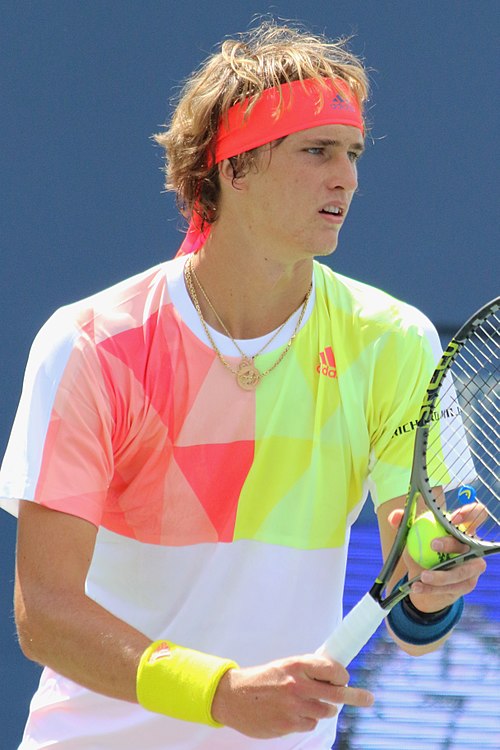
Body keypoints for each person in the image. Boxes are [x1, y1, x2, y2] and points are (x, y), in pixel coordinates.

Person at [0, 20, 486, 750]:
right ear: (233, 168)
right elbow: (45, 613)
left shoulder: (395, 341)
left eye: (352, 153)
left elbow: (418, 617)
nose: (346, 176)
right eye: (316, 150)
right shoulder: (93, 344)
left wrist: (430, 587)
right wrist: (219, 694)